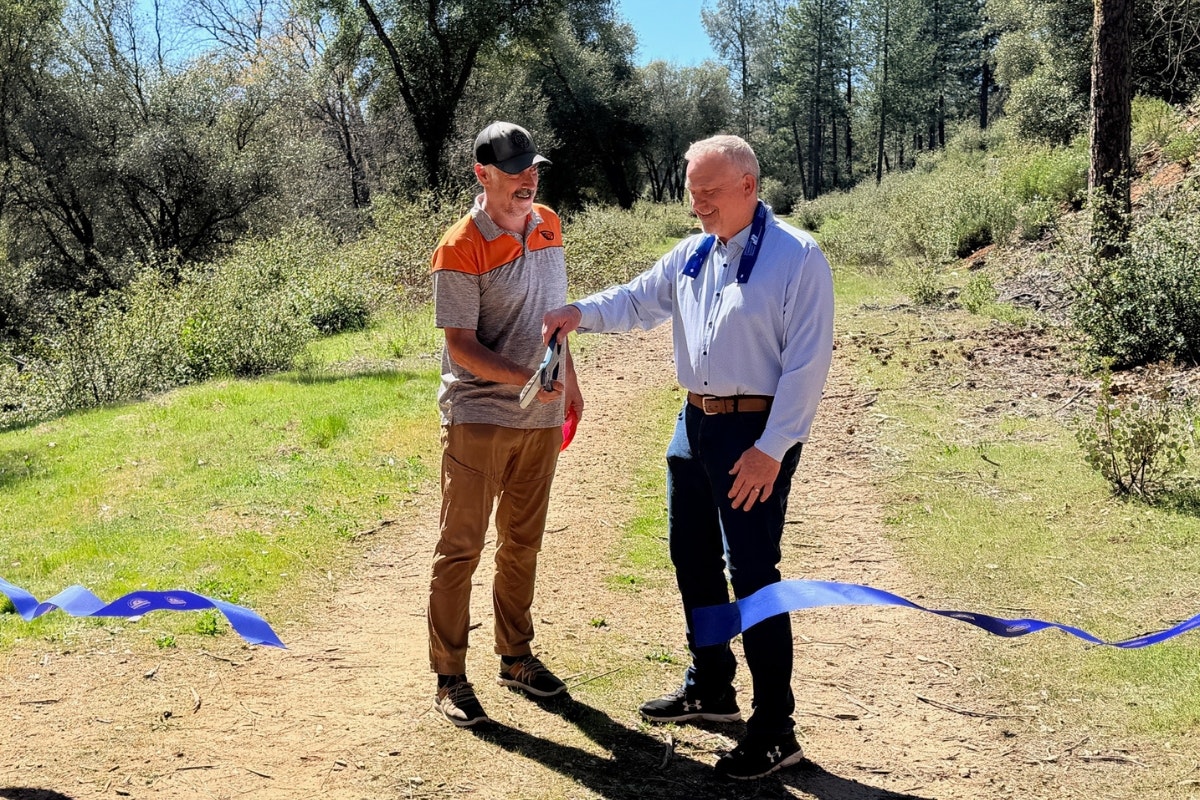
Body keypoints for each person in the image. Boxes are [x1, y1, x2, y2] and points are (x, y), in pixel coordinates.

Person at [542, 134, 834, 779]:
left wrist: (771, 450)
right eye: (691, 191)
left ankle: (776, 728)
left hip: (753, 436)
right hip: (693, 427)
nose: (697, 205)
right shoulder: (694, 254)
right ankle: (713, 687)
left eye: (709, 192)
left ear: (749, 186)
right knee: (692, 559)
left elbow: (808, 366)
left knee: (753, 575)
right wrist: (577, 313)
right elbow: (636, 301)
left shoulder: (797, 257)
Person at [428, 121, 583, 728]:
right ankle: (450, 676)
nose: (528, 178)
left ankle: (515, 657)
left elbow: (557, 320)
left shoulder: (548, 223)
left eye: (532, 167)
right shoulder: (459, 245)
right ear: (481, 174)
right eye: (514, 169)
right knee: (460, 549)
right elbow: (460, 346)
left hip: (540, 418)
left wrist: (568, 380)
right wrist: (523, 376)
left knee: (522, 544)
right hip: (480, 419)